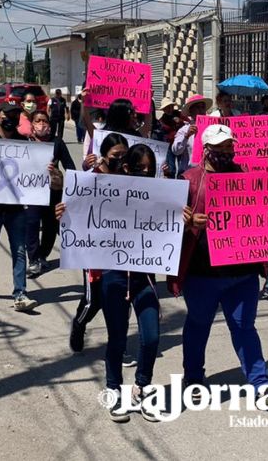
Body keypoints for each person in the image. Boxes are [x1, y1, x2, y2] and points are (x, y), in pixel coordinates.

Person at [56, 143, 166, 422]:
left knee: (151, 337)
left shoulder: (159, 197)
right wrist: (64, 214)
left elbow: (174, 228)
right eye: (140, 168)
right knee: (117, 339)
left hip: (144, 280)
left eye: (150, 169)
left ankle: (141, 388)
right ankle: (114, 391)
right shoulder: (104, 192)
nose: (146, 172)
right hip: (113, 279)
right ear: (126, 168)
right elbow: (80, 220)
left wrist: (187, 220)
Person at [169, 124, 268, 398]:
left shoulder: (246, 175)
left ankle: (260, 382)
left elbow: (265, 210)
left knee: (244, 327)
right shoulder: (189, 180)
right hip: (202, 274)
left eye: (230, 146)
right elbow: (167, 224)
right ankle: (193, 376)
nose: (227, 151)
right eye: (221, 147)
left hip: (243, 272)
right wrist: (190, 222)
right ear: (206, 150)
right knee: (198, 324)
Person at [0, 103, 46, 311]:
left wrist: (44, 169)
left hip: (15, 208)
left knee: (19, 251)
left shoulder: (24, 144)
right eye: (7, 115)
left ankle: (20, 293)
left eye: (15, 115)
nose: (11, 119)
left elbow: (33, 172)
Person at [70, 133, 130, 352]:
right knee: (93, 300)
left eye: (124, 154)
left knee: (123, 297)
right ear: (105, 155)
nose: (121, 158)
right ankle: (79, 324)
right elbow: (75, 207)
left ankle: (118, 343)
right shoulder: (89, 178)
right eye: (116, 154)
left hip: (123, 248)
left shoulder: (130, 177)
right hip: (94, 248)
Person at [26, 109, 76, 277]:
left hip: (53, 192)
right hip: (32, 191)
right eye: (38, 121)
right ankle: (33, 260)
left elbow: (70, 167)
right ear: (32, 124)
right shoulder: (25, 142)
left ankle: (43, 255)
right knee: (31, 224)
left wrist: (76, 186)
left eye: (45, 121)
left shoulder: (57, 143)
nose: (42, 124)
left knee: (50, 226)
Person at [170, 95, 213, 176]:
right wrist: (186, 136)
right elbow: (176, 151)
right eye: (197, 107)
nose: (201, 110)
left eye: (203, 107)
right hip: (189, 174)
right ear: (191, 111)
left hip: (208, 173)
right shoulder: (184, 130)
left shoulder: (212, 128)